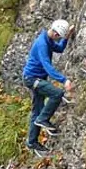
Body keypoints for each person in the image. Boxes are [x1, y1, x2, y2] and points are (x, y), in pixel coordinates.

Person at [22, 18, 74, 155]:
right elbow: (48, 67)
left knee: (37, 110)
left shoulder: (48, 39)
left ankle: (32, 142)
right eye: (59, 37)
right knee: (57, 94)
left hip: (35, 78)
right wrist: (64, 80)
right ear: (56, 34)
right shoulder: (42, 44)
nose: (58, 39)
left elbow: (60, 49)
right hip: (33, 79)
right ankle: (43, 119)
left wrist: (66, 37)